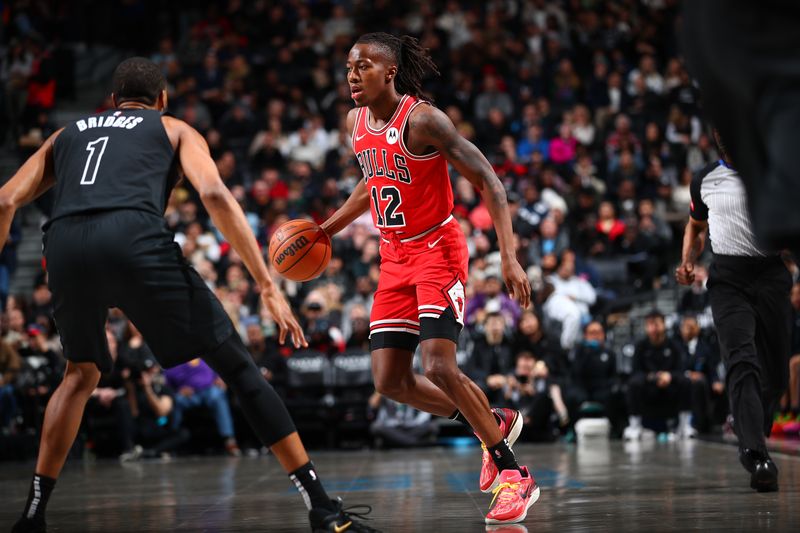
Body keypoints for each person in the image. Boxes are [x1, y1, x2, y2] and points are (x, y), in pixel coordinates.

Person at [0, 57, 378, 533]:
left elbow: (5, 200)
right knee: (239, 367)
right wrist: (266, 285)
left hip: (64, 245)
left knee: (79, 376)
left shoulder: (67, 135)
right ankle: (322, 507)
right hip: (133, 237)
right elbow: (215, 194)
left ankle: (33, 515)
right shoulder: (172, 128)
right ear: (161, 99)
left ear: (114, 100)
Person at [321, 33, 538, 524]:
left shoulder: (422, 119)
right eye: (349, 68)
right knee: (390, 380)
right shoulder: (357, 123)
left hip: (438, 250)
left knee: (439, 365)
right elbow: (373, 181)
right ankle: (492, 422)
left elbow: (488, 180)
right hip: (393, 257)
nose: (353, 75)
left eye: (364, 67)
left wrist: (509, 257)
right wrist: (325, 229)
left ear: (389, 72)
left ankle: (512, 473)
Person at [676, 130, 791, 492]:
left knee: (776, 376)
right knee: (742, 361)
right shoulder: (705, 179)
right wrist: (687, 261)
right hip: (729, 279)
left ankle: (749, 426)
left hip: (771, 275)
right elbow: (695, 226)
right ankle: (755, 453)